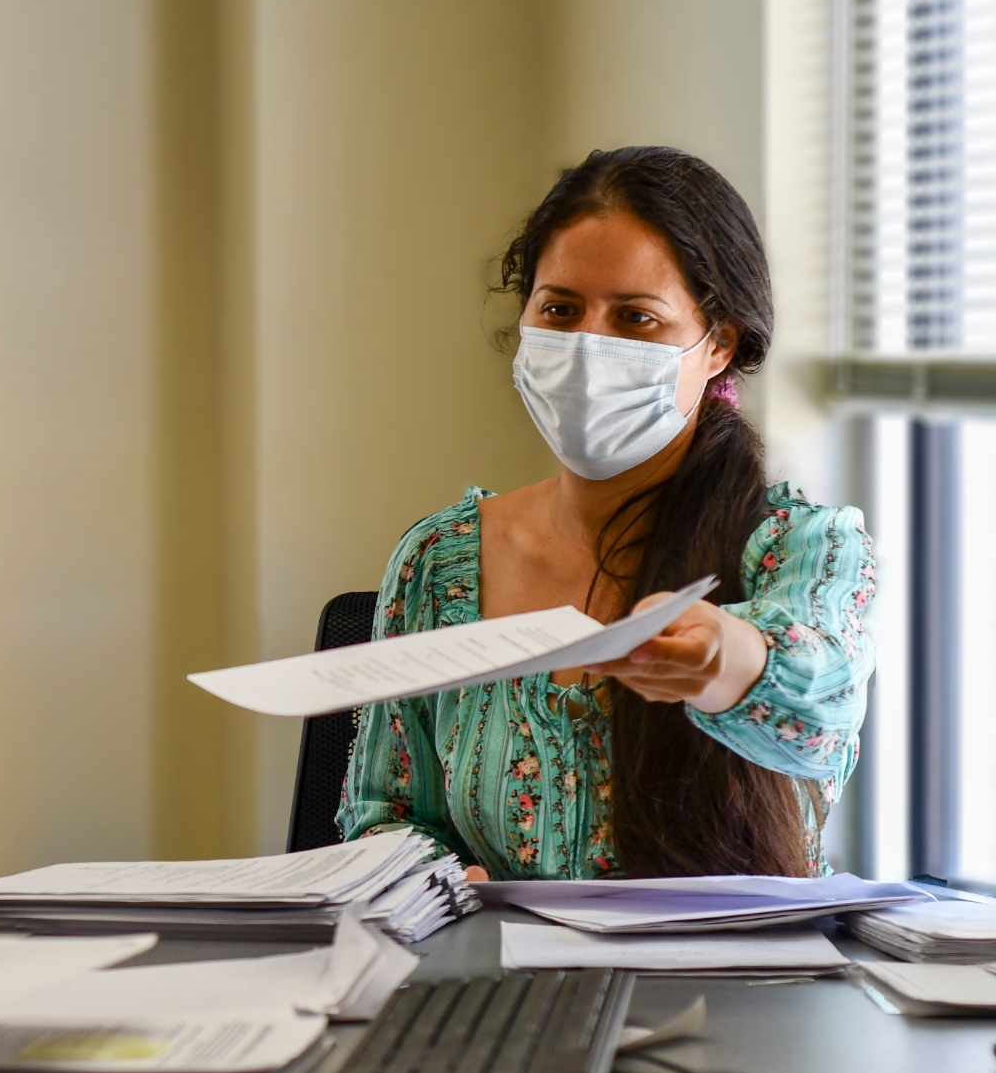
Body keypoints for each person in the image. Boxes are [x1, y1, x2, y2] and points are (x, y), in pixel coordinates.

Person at [338, 147, 876, 880]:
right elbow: (384, 813)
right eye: (560, 309)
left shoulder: (798, 544)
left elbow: (827, 709)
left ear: (718, 344)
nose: (590, 348)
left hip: (734, 985)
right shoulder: (439, 561)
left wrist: (725, 659)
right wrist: (434, 880)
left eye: (636, 318)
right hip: (500, 983)